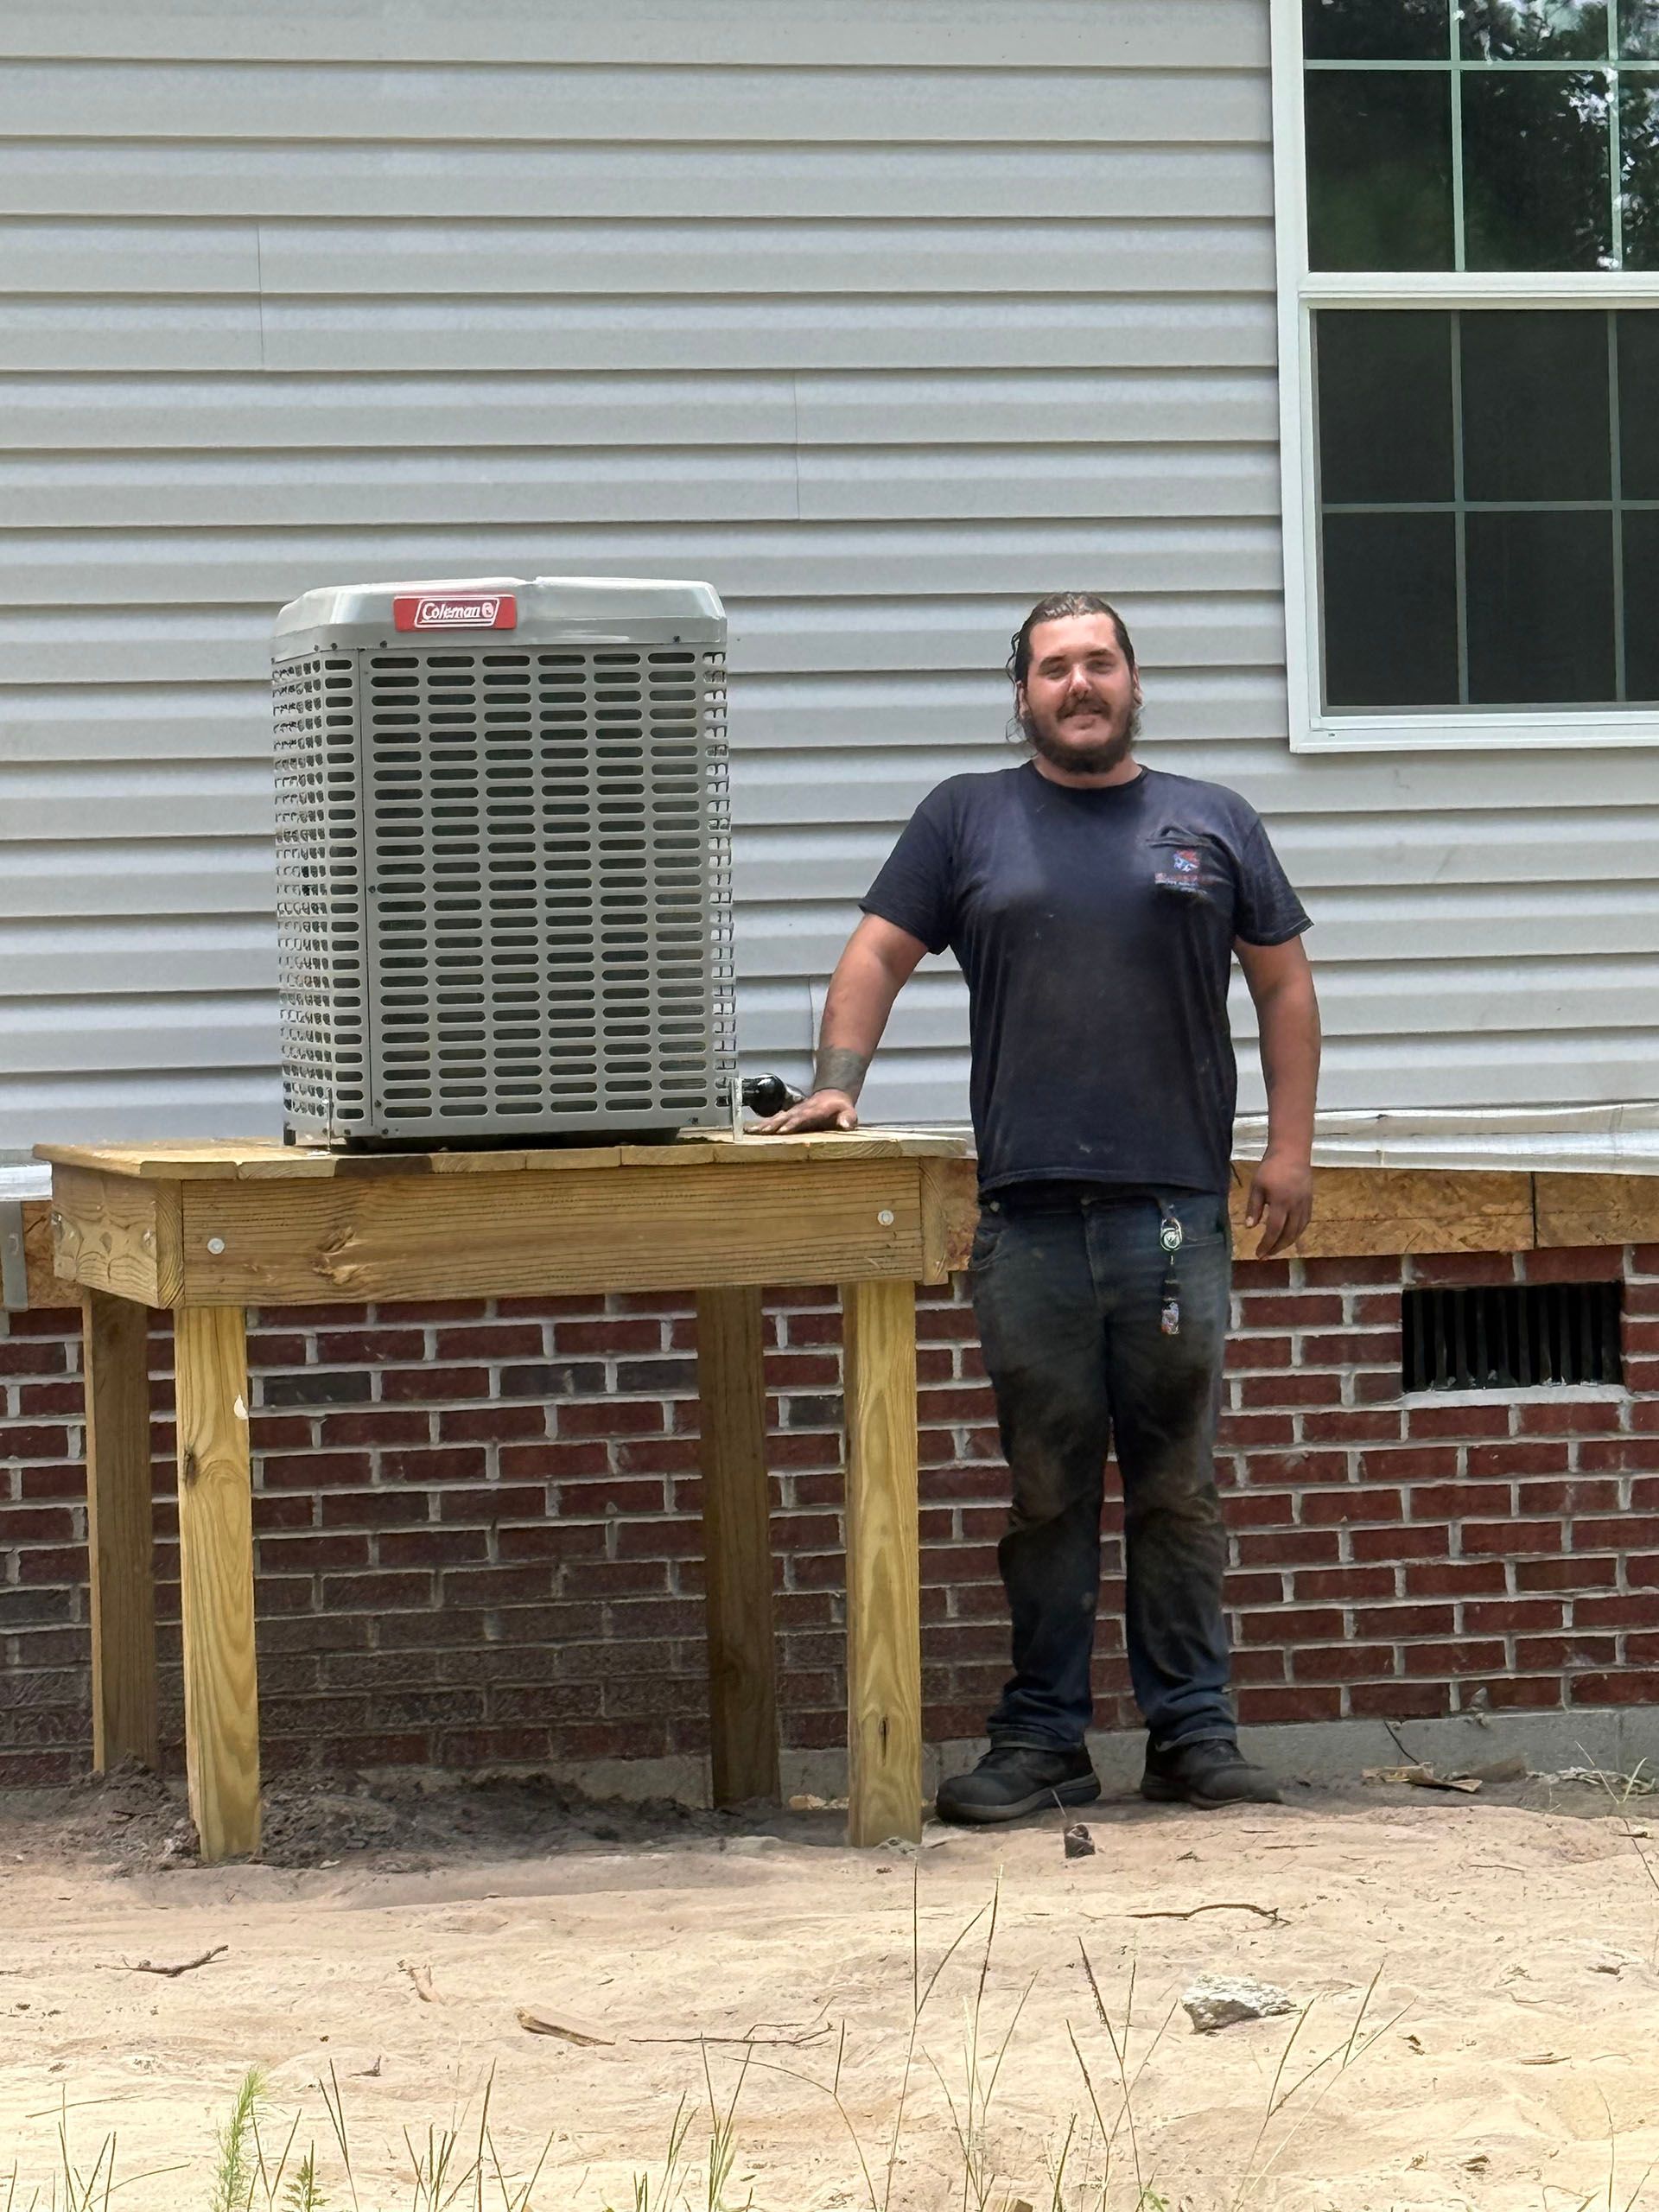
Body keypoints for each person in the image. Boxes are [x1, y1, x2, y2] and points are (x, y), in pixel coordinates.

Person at [754, 593, 1320, 1824]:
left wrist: (1287, 1152)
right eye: (1055, 668)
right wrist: (837, 1091)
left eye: (1099, 663)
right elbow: (874, 955)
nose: (1079, 684)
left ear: (1132, 682)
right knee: (1046, 1487)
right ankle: (1043, 1740)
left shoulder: (1212, 822)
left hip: (1174, 1212)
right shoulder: (968, 818)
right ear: (1023, 693)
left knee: (1177, 1485)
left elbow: (1282, 988)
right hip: (1029, 1222)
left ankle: (1193, 1736)